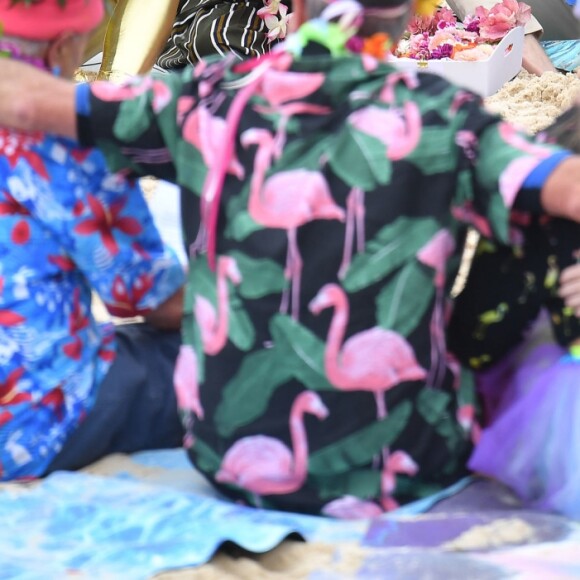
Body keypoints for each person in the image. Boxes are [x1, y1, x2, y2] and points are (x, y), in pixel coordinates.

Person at [1, 0, 580, 516]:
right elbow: (568, 189)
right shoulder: (447, 115)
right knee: (531, 200)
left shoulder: (204, 97)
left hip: (226, 464)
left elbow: (31, 101)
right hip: (404, 467)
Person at [0, 0, 186, 481]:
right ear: (63, 45)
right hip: (27, 422)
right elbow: (151, 300)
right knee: (195, 354)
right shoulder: (61, 138)